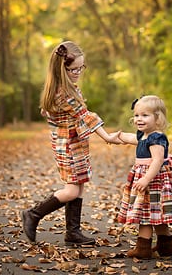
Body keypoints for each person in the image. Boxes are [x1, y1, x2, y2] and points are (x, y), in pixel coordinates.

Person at [21, 41, 121, 245]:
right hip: (68, 146)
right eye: (73, 69)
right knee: (72, 190)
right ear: (61, 68)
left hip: (76, 144)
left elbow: (51, 112)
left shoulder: (65, 88)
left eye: (80, 68)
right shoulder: (63, 93)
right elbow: (86, 116)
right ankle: (33, 214)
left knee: (79, 186)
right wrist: (107, 137)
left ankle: (73, 232)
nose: (78, 72)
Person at [112, 95, 172, 259]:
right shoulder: (143, 135)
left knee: (145, 215)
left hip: (154, 181)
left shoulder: (156, 137)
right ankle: (164, 246)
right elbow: (130, 138)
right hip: (147, 178)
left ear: (157, 118)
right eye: (137, 115)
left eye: (145, 115)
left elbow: (158, 160)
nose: (139, 119)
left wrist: (146, 179)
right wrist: (116, 137)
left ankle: (143, 249)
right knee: (156, 214)